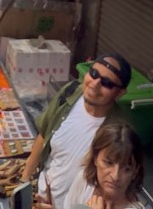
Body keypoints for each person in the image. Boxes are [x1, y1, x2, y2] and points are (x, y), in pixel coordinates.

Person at [23, 54, 133, 209]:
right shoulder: (69, 93)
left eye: (106, 83)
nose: (95, 84)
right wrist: (25, 179)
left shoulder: (118, 132)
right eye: (94, 74)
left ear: (120, 93)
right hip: (42, 199)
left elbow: (113, 184)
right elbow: (43, 134)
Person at [65, 122, 146, 209]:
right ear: (95, 158)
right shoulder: (83, 181)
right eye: (108, 163)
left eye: (126, 169)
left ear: (135, 172)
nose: (115, 176)